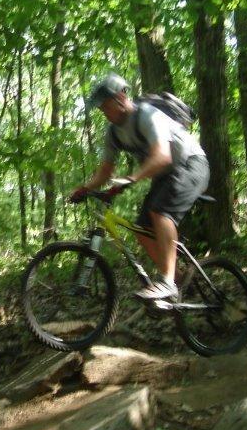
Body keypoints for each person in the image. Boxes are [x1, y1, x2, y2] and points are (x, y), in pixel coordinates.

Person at [70, 72, 210, 301]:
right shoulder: (113, 133)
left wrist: (132, 178)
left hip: (191, 164)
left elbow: (162, 156)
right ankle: (179, 281)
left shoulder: (147, 115)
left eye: (106, 107)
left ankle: (166, 282)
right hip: (166, 176)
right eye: (101, 109)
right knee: (142, 229)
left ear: (121, 98)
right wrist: (85, 188)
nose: (104, 113)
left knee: (160, 212)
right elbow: (105, 171)